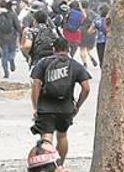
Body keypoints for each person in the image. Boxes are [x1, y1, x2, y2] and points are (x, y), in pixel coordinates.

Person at [30, 37, 91, 165]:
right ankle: (60, 165)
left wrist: (35, 107)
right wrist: (77, 106)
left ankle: (47, 166)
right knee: (62, 136)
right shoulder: (75, 65)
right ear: (68, 50)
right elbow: (86, 88)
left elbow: (36, 84)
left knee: (47, 137)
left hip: (45, 107)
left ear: (54, 49)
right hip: (66, 107)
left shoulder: (43, 63)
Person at [0, 0, 23, 78]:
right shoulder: (13, 14)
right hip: (12, 37)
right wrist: (21, 34)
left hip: (1, 38)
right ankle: (11, 59)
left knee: (3, 55)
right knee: (12, 51)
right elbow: (18, 26)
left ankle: (6, 72)